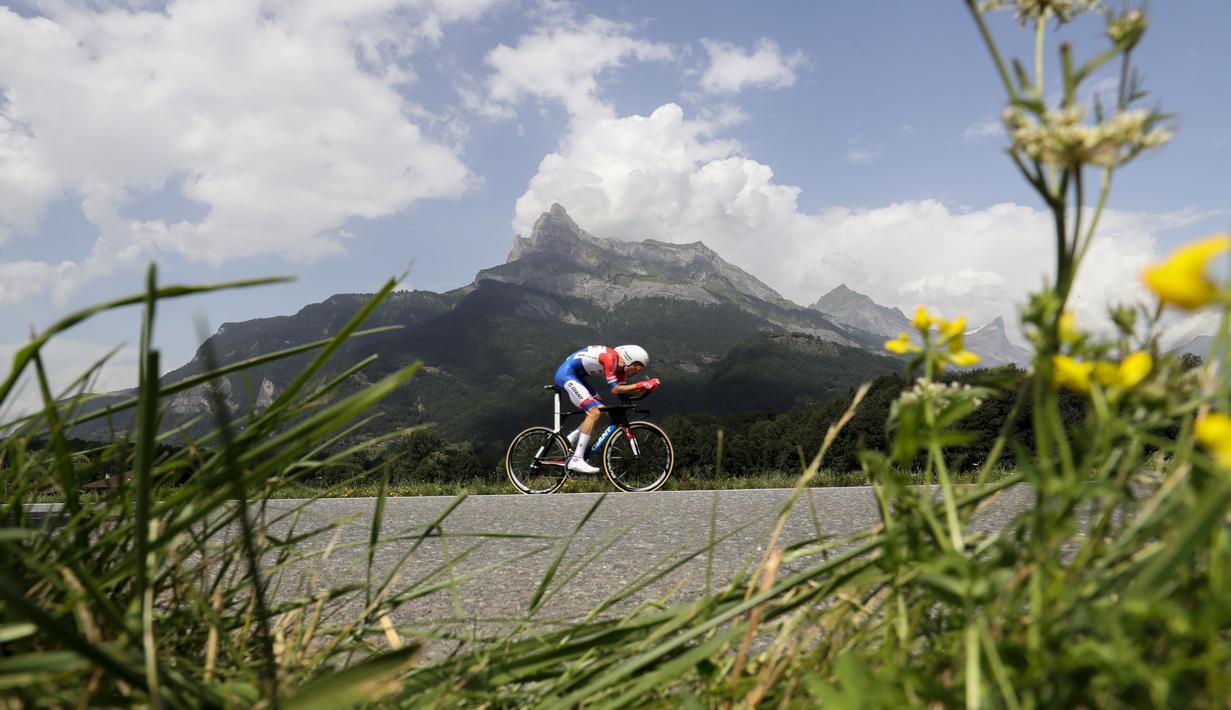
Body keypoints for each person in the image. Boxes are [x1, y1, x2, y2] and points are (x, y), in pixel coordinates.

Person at [553, 344, 660, 473]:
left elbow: (623, 393)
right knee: (594, 412)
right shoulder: (611, 358)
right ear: (628, 359)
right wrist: (642, 384)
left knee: (602, 413)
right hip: (566, 375)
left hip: (576, 377)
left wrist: (646, 389)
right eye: (637, 366)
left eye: (640, 369)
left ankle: (570, 440)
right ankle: (577, 459)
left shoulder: (620, 370)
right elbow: (615, 389)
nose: (637, 371)